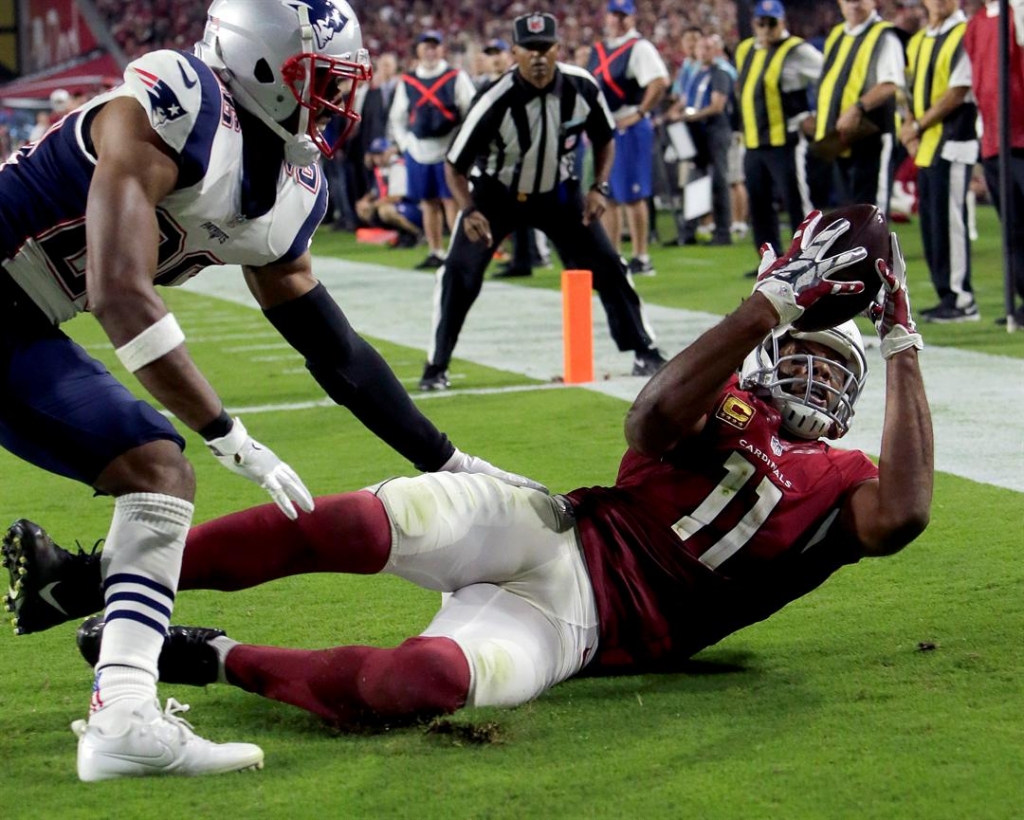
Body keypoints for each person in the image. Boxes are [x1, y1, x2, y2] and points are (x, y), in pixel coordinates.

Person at [67, 210, 932, 731]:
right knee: (354, 524)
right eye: (803, 355)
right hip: (554, 527)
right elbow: (651, 418)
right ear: (767, 355)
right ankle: (87, 579)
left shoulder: (847, 483)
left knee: (424, 684)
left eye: (834, 368)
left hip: (583, 627)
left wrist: (900, 341)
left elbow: (906, 514)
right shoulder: (723, 400)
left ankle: (215, 657)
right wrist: (769, 304)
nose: (815, 375)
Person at [0, 0, 540, 782]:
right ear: (259, 63)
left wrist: (450, 462)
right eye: (320, 79)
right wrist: (227, 433)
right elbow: (121, 292)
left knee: (153, 467)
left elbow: (335, 349)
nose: (337, 99)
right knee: (163, 465)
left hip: (22, 320)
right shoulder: (177, 101)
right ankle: (122, 715)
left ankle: (122, 716)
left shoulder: (291, 183)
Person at [417, 12, 665, 391]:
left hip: (559, 193)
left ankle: (643, 350)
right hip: (496, 195)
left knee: (608, 263)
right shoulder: (495, 98)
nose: (537, 56)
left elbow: (605, 136)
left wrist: (598, 186)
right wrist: (469, 209)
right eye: (529, 48)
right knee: (459, 273)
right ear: (514, 51)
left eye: (544, 47)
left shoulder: (581, 87)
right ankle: (437, 365)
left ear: (557, 49)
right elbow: (454, 164)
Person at [900, 0, 980, 323]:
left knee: (952, 222)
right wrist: (908, 126)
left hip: (953, 140)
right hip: (926, 144)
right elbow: (906, 90)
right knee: (932, 223)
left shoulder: (964, 32)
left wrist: (917, 125)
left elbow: (958, 90)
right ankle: (945, 294)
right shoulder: (919, 39)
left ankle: (962, 300)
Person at [735, 0, 823, 274]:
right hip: (753, 142)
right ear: (754, 23)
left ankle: (810, 259)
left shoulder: (798, 50)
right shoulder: (745, 49)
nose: (766, 28)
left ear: (782, 22)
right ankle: (769, 262)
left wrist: (816, 115)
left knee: (796, 202)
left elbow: (831, 78)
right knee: (759, 205)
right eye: (761, 22)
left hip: (786, 141)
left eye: (771, 22)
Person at [587, 0, 669, 275]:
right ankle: (614, 255)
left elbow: (659, 81)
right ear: (607, 17)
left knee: (633, 195)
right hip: (606, 127)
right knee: (608, 195)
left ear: (632, 19)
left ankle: (641, 256)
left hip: (628, 125)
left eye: (624, 16)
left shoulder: (639, 47)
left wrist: (640, 112)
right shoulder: (599, 49)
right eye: (614, 15)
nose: (618, 21)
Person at [388, 30, 477, 271]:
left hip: (448, 148)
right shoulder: (407, 81)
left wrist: (462, 145)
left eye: (434, 46)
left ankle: (459, 253)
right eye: (425, 47)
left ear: (442, 49)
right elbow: (397, 117)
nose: (430, 51)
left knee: (452, 202)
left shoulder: (455, 77)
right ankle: (436, 251)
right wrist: (406, 145)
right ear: (418, 50)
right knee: (428, 203)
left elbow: (471, 110)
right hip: (418, 149)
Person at [812, 0, 906, 214]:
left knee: (872, 212)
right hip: (840, 137)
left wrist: (857, 108)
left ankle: (876, 249)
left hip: (872, 135)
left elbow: (890, 84)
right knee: (849, 212)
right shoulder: (837, 34)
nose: (854, 4)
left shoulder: (885, 36)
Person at [963, 0, 1024, 327]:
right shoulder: (975, 25)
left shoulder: (1017, 12)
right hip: (993, 137)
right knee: (1011, 226)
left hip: (1020, 135)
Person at [670, 35, 734, 246]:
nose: (703, 52)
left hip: (716, 130)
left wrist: (690, 116)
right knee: (695, 181)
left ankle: (723, 231)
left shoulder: (720, 73)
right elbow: (685, 100)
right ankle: (689, 232)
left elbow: (717, 106)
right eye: (700, 48)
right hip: (698, 131)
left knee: (719, 180)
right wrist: (674, 113)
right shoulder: (696, 74)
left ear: (716, 50)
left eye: (708, 48)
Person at [355, 137, 424, 247]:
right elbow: (376, 191)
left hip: (413, 206)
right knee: (364, 209)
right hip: (400, 206)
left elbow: (397, 197)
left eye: (381, 153)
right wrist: (364, 201)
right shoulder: (381, 168)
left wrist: (372, 205)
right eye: (375, 154)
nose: (378, 158)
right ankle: (399, 235)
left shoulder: (398, 166)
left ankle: (417, 234)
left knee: (385, 211)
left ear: (389, 152)